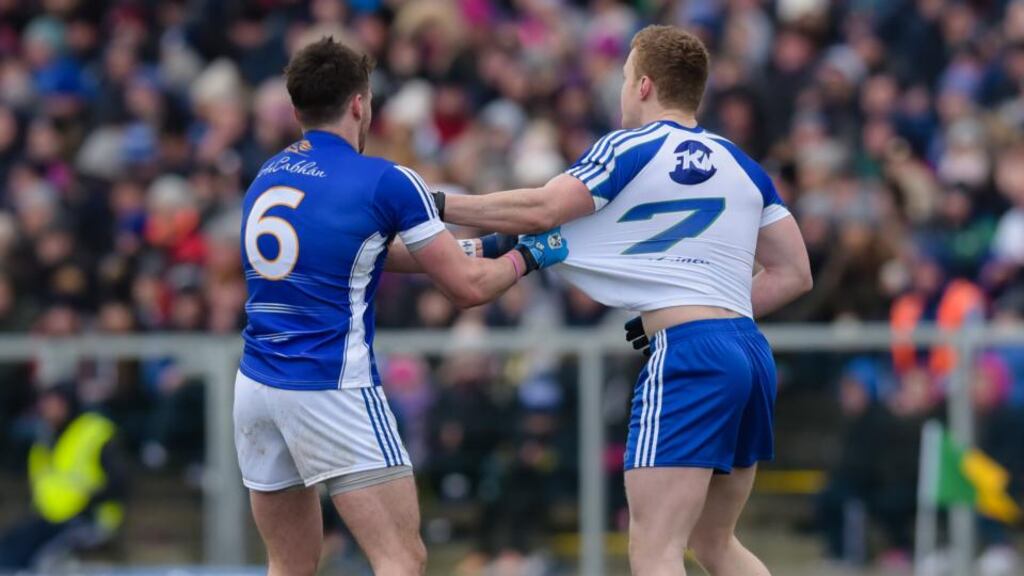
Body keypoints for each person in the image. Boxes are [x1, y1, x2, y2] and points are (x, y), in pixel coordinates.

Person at [433, 25, 813, 575]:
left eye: (625, 77)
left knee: (655, 548)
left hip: (690, 353)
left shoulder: (629, 146)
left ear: (643, 86)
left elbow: (542, 210)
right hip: (749, 351)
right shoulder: (741, 164)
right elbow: (794, 273)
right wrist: (711, 308)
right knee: (715, 543)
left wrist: (438, 203)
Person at [233, 37, 567, 576]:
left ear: (297, 110)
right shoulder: (387, 179)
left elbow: (356, 253)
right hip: (330, 384)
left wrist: (480, 246)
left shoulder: (270, 172)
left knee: (289, 565)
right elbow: (468, 291)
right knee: (401, 559)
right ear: (359, 103)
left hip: (256, 386)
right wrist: (531, 256)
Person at [0, 383, 126, 570]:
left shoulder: (93, 432)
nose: (47, 410)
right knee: (10, 548)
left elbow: (119, 481)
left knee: (43, 559)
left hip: (87, 519)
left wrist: (87, 503)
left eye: (53, 404)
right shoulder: (44, 440)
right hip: (49, 518)